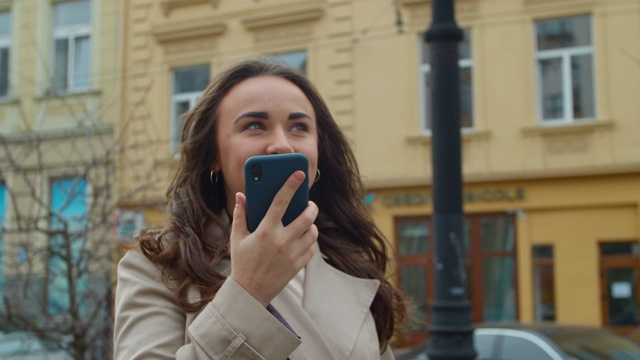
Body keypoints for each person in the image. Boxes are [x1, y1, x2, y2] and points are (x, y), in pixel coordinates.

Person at [113, 57, 407, 359]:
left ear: (319, 151)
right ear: (213, 154)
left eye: (298, 127)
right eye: (255, 125)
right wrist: (248, 293)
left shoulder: (350, 264)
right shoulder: (158, 267)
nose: (281, 144)